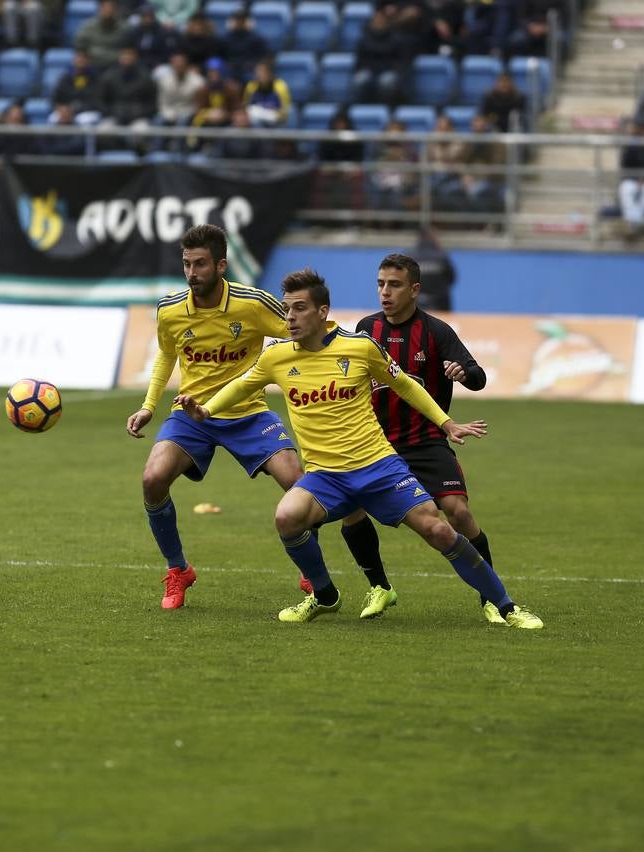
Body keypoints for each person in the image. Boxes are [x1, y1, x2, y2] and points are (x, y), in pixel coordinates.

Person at [175, 268, 541, 628]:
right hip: (325, 477)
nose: (290, 317)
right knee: (286, 517)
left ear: (322, 312)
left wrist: (445, 423)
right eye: (287, 308)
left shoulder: (360, 347)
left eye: (300, 308)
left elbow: (406, 386)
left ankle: (507, 607)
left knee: (440, 531)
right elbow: (242, 385)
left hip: (379, 467)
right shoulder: (276, 357)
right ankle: (324, 595)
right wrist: (206, 410)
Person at [126, 225, 358, 611]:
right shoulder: (169, 309)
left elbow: (303, 332)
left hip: (248, 413)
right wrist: (149, 406)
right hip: (192, 414)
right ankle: (178, 569)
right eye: (186, 264)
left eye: (200, 264)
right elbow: (167, 354)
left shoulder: (253, 304)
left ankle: (311, 573)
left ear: (221, 265)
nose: (191, 272)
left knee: (299, 483)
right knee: (152, 479)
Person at [317, 253, 521, 624]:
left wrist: (463, 372)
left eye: (394, 285)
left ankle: (490, 597)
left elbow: (478, 377)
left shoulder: (436, 332)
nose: (385, 292)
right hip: (375, 443)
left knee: (457, 511)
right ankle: (379, 587)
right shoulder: (365, 329)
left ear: (414, 289)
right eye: (380, 284)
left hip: (426, 441)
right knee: (352, 510)